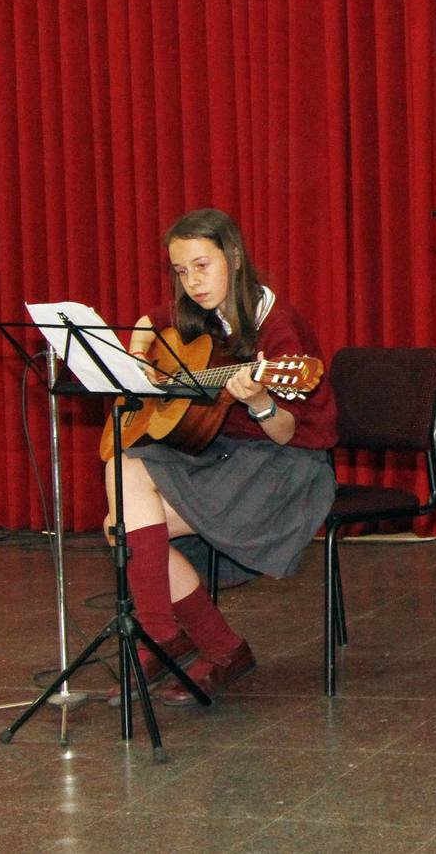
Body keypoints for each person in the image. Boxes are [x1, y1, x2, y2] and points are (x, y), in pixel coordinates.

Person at [103, 208, 337, 705]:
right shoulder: (195, 311)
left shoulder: (277, 326)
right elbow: (149, 323)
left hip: (282, 465)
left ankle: (186, 641)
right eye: (181, 271)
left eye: (202, 266)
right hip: (218, 452)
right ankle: (184, 641)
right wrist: (142, 352)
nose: (192, 282)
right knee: (123, 468)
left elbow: (284, 433)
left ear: (233, 257)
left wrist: (258, 400)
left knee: (126, 524)